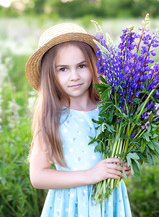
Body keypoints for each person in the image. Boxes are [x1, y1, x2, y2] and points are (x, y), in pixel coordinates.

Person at [26, 23, 132, 217]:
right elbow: (38, 176)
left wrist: (119, 167)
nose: (74, 76)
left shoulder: (111, 108)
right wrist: (90, 175)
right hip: (70, 207)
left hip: (110, 203)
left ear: (94, 66)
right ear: (51, 74)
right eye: (63, 69)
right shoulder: (51, 117)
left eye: (81, 66)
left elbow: (113, 156)